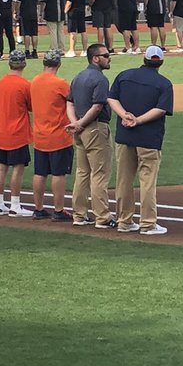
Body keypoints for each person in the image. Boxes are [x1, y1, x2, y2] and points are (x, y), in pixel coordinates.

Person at [108, 45, 174, 236]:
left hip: (125, 136)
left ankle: (124, 221)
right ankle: (148, 223)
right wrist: (138, 120)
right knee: (147, 181)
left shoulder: (124, 75)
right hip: (149, 139)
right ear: (160, 62)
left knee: (124, 180)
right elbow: (160, 110)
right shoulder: (164, 83)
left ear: (144, 59)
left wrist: (125, 116)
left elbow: (112, 99)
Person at [66, 43, 113, 228]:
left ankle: (79, 215)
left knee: (82, 173)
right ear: (95, 58)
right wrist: (81, 123)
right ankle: (103, 217)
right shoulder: (101, 79)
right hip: (94, 128)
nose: (109, 58)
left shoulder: (78, 77)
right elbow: (97, 106)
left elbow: (69, 103)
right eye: (106, 55)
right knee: (100, 173)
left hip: (79, 130)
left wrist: (75, 123)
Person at [29, 50, 74, 222]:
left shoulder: (34, 81)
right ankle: (59, 209)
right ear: (58, 64)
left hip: (39, 135)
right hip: (58, 136)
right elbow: (72, 102)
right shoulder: (60, 83)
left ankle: (38, 208)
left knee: (40, 173)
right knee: (58, 173)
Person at [0, 49, 33, 216]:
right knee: (17, 168)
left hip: (1, 132)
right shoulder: (25, 85)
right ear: (23, 64)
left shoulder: (0, 83)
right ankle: (15, 204)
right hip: (18, 132)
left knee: (2, 168)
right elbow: (31, 107)